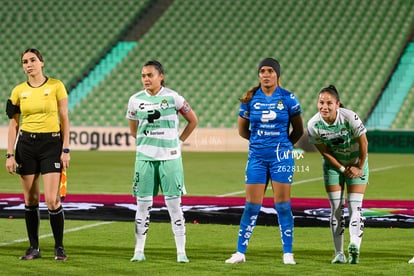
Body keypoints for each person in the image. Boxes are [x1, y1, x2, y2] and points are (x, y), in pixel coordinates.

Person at [225, 58, 304, 265]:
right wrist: (260, 143)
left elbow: (298, 130)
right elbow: (243, 131)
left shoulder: (288, 98)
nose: (266, 74)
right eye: (262, 71)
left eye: (270, 71)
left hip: (281, 158)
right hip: (257, 158)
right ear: (258, 74)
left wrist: (283, 147)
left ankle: (288, 253)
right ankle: (240, 252)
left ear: (278, 74)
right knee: (251, 206)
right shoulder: (250, 99)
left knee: (283, 205)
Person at [126, 60, 198, 263]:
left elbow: (193, 120)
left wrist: (179, 140)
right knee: (143, 206)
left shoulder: (173, 97)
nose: (146, 79)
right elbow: (133, 130)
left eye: (150, 75)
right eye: (143, 76)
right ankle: (138, 251)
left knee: (174, 205)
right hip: (144, 159)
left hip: (170, 158)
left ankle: (181, 252)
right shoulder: (134, 100)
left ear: (161, 76)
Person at [5, 48, 70, 261]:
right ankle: (34, 247)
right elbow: (13, 124)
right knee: (30, 199)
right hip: (26, 145)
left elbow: (64, 119)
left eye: (33, 60)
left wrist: (65, 149)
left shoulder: (56, 86)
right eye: (25, 61)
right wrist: (9, 154)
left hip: (51, 144)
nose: (29, 64)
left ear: (42, 62)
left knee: (52, 200)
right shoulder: (17, 91)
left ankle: (59, 247)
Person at [307, 85, 368, 265]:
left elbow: (364, 142)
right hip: (334, 167)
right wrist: (342, 169)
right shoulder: (313, 124)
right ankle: (339, 253)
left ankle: (354, 246)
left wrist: (359, 166)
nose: (324, 106)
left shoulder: (349, 116)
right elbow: (325, 152)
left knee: (355, 206)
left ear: (337, 104)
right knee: (336, 209)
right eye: (321, 102)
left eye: (329, 103)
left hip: (357, 161)